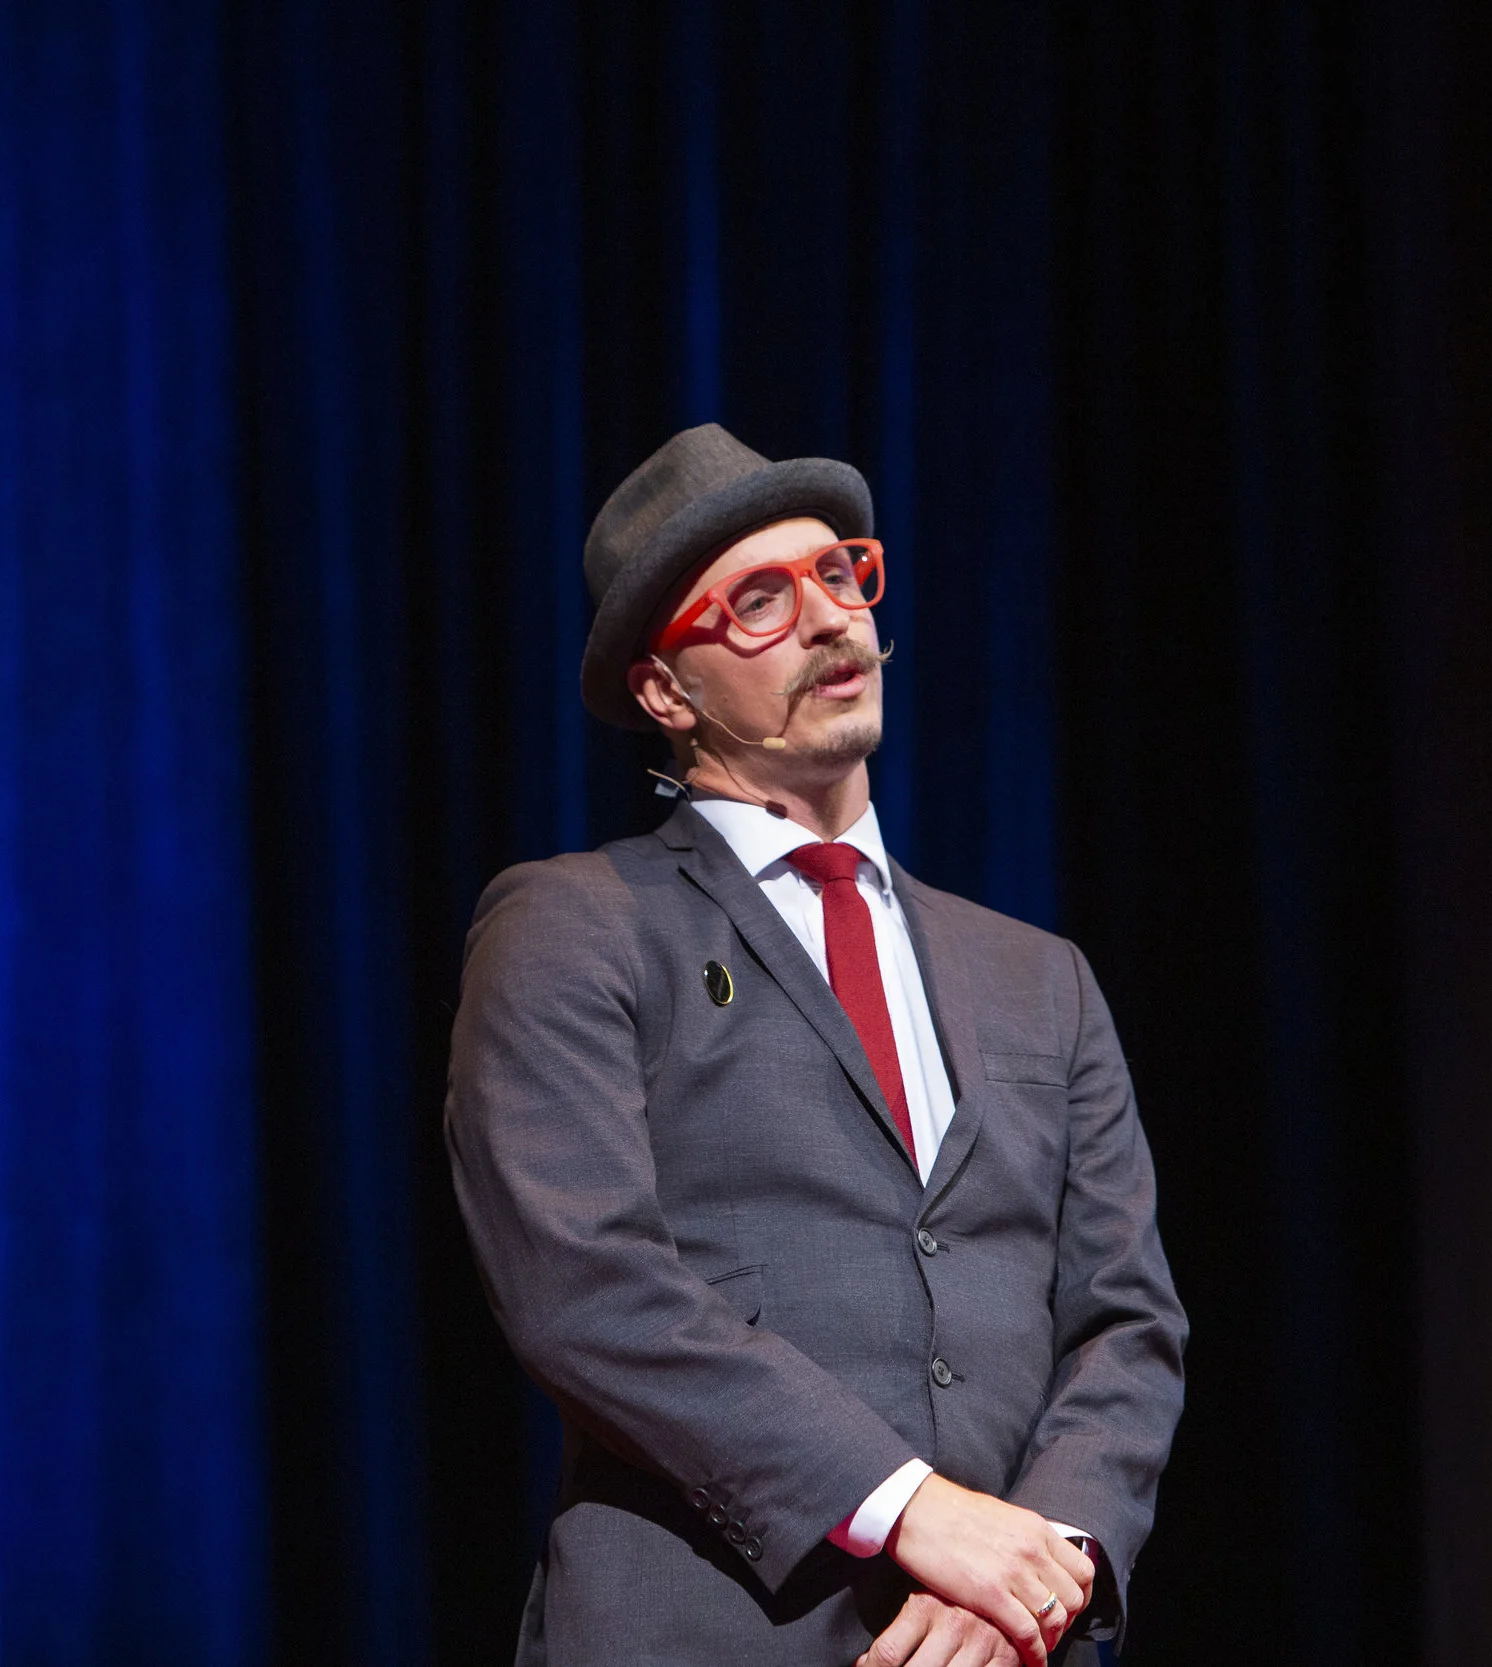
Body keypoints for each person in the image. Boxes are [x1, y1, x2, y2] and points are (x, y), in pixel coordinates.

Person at [446, 423, 1186, 1666]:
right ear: (664, 691)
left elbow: (1126, 1321)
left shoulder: (1038, 974)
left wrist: (1036, 1569)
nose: (831, 618)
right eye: (758, 600)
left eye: (840, 574)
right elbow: (585, 1286)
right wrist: (911, 1507)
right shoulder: (575, 924)